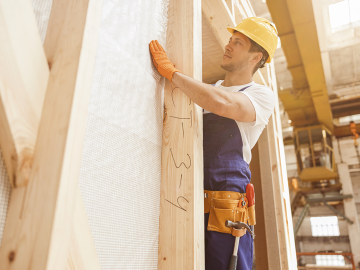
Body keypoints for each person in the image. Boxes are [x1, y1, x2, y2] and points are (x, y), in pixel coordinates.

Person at [150, 17, 278, 270]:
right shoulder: (204, 91)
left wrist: (173, 75)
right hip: (186, 196)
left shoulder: (259, 95)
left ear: (256, 57)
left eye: (238, 43)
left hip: (225, 206)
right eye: (230, 41)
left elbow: (224, 104)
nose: (228, 46)